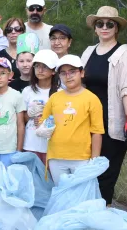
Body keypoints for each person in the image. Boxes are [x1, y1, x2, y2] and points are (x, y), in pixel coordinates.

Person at [81, 6, 127, 205]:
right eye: (100, 24)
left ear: (117, 28)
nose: (105, 27)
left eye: (110, 24)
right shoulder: (88, 52)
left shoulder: (123, 55)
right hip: (87, 122)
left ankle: (102, 217)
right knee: (86, 170)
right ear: (95, 28)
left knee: (106, 174)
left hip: (112, 124)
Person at [42, 55, 104, 183]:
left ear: (81, 73)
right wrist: (43, 128)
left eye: (72, 71)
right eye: (63, 73)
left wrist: (94, 159)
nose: (68, 76)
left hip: (81, 158)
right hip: (56, 155)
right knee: (61, 193)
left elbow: (97, 132)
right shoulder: (54, 98)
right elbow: (44, 122)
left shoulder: (92, 99)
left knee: (80, 196)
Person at [21, 50, 59, 163]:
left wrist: (48, 122)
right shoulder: (27, 91)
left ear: (53, 71)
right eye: (37, 66)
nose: (40, 70)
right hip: (30, 144)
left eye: (45, 67)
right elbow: (21, 120)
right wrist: (29, 114)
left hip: (51, 145)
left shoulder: (60, 92)